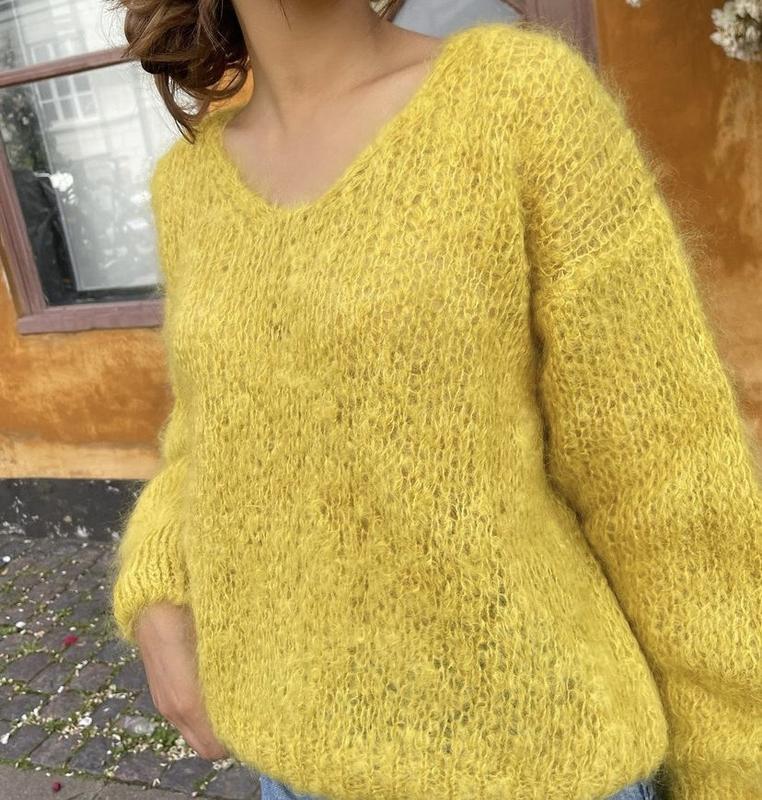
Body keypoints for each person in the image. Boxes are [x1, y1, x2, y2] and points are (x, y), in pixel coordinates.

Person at [106, 1, 762, 800]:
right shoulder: (189, 185)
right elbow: (208, 427)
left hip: (539, 763)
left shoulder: (518, 103)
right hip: (293, 761)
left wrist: (733, 769)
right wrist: (158, 580)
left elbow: (665, 477)